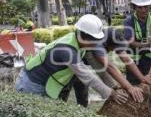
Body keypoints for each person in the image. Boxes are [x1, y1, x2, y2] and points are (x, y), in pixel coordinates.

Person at [15, 14, 143, 105]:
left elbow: (100, 68)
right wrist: (111, 94)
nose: (96, 43)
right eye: (94, 40)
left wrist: (116, 87)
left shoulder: (83, 44)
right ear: (84, 36)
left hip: (48, 84)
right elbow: (87, 76)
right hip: (32, 84)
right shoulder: (67, 50)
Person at [60, 26, 149, 107]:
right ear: (110, 44)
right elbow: (108, 68)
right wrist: (126, 88)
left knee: (82, 92)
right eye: (114, 49)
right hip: (68, 67)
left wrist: (142, 79)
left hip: (80, 65)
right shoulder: (96, 44)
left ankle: (81, 109)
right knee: (64, 90)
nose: (113, 51)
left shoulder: (112, 38)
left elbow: (126, 59)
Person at [123, 0, 151, 94]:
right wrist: (147, 44)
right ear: (134, 7)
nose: (143, 10)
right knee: (135, 92)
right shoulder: (129, 21)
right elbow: (130, 42)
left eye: (146, 7)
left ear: (150, 6)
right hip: (134, 63)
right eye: (139, 7)